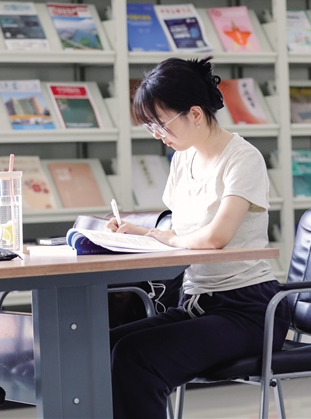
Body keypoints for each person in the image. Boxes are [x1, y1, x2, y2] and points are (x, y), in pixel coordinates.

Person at [107, 57, 290, 419]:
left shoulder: (243, 158)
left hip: (249, 310)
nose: (156, 134)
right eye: (149, 126)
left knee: (135, 356)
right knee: (107, 345)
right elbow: (182, 233)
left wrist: (161, 238)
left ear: (194, 114)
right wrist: (139, 234)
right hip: (196, 303)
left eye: (160, 123)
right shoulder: (182, 160)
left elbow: (215, 237)